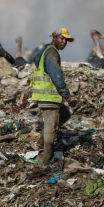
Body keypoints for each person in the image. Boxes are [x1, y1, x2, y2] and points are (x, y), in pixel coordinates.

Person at [31, 28, 74, 163]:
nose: (64, 42)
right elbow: (56, 76)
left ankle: (41, 141)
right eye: (62, 38)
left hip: (45, 95)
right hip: (49, 96)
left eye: (66, 40)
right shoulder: (52, 53)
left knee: (65, 114)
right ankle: (47, 158)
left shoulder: (45, 50)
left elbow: (36, 60)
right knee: (51, 125)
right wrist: (67, 95)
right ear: (54, 38)